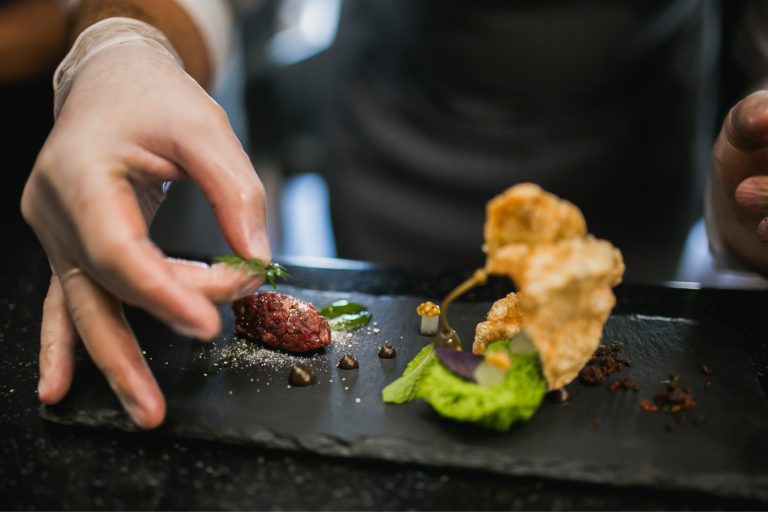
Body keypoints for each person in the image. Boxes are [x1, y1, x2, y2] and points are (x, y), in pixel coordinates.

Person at [19, 0, 768, 428]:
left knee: (598, 389)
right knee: (397, 346)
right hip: (399, 130)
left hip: (634, 152)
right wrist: (121, 42)